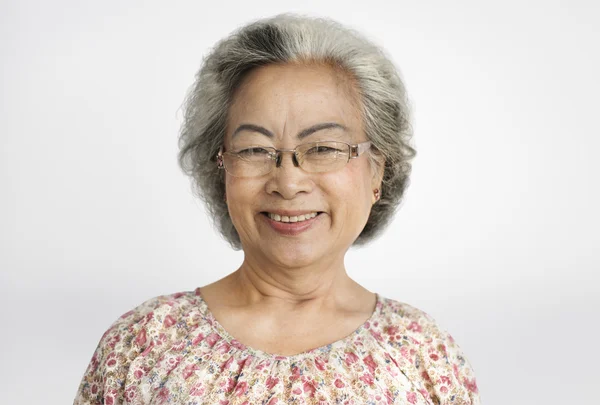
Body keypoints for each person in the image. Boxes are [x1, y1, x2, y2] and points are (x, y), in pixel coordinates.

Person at [74, 14, 480, 405]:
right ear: (221, 170)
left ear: (377, 173)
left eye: (323, 148)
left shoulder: (423, 355)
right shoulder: (143, 345)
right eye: (254, 150)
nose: (287, 183)